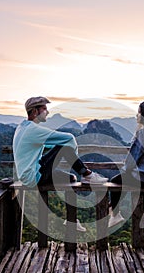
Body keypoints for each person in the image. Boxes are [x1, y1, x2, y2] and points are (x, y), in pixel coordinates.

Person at [13, 96, 108, 231]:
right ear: (34, 111)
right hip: (33, 176)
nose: (48, 112)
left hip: (30, 173)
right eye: (44, 109)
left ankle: (71, 220)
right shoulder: (33, 130)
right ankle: (87, 174)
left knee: (71, 178)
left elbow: (48, 142)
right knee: (65, 147)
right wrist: (72, 153)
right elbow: (69, 139)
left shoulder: (22, 126)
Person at [108, 100, 144, 228]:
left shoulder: (142, 134)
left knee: (114, 181)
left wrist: (125, 170)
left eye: (139, 112)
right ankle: (112, 209)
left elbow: (131, 160)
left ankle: (115, 214)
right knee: (123, 181)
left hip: (142, 178)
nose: (137, 115)